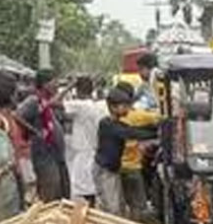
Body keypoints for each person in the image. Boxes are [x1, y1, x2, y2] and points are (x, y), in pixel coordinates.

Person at [95, 86, 158, 215]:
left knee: (119, 207)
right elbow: (131, 133)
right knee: (113, 209)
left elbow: (133, 129)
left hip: (113, 170)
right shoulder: (107, 124)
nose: (127, 109)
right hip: (105, 172)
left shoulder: (116, 123)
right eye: (124, 106)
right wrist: (155, 134)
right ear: (113, 107)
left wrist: (156, 129)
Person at [17, 69, 70, 202]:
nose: (57, 84)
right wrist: (34, 132)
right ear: (45, 84)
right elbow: (17, 116)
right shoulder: (34, 101)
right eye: (54, 81)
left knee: (62, 192)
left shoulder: (49, 101)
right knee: (50, 193)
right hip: (44, 155)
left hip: (57, 154)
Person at [62, 76, 108, 206]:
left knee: (86, 191)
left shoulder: (80, 105)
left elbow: (54, 103)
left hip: (84, 151)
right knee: (91, 188)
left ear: (77, 91)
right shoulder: (98, 105)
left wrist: (69, 87)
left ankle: (89, 213)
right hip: (94, 150)